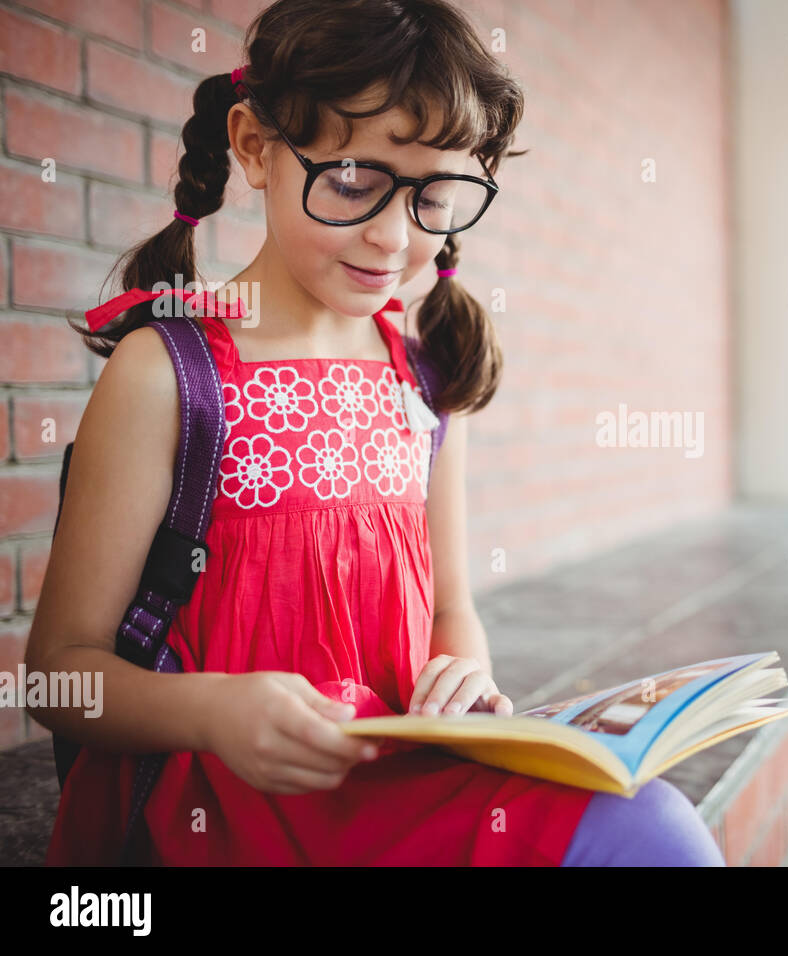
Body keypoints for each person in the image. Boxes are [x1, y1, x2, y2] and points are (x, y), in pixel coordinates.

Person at [26, 0, 723, 867]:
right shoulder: (171, 375)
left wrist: (467, 680)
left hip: (399, 781)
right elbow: (58, 674)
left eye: (436, 195)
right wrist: (216, 712)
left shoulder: (426, 379)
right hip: (222, 806)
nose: (394, 235)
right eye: (355, 181)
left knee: (653, 830)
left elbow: (451, 610)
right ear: (254, 147)